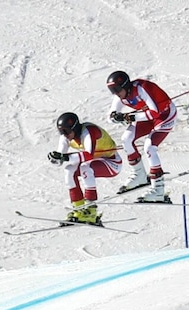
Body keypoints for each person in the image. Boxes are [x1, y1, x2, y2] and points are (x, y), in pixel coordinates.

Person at [106, 70, 177, 202]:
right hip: (146, 117)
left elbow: (155, 113)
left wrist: (130, 116)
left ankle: (158, 190)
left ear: (126, 86)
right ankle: (139, 175)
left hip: (165, 116)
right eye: (112, 90)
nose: (116, 93)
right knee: (126, 139)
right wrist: (116, 117)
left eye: (117, 89)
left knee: (149, 147)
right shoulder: (120, 96)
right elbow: (110, 116)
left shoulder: (141, 89)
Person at [47, 112, 122, 225]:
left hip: (112, 163)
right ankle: (79, 209)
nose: (64, 135)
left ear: (75, 128)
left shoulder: (88, 132)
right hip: (95, 162)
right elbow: (60, 160)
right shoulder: (66, 137)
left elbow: (88, 155)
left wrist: (64, 157)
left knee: (85, 167)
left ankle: (91, 211)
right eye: (61, 132)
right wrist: (55, 158)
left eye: (66, 131)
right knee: (69, 170)